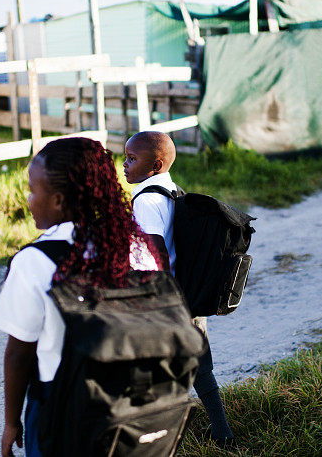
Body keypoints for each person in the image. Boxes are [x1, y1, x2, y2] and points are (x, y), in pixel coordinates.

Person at [0, 137, 161, 457]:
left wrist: (11, 423)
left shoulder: (36, 261)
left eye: (32, 189)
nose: (28, 199)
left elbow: (18, 355)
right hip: (137, 402)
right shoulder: (137, 246)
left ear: (56, 200)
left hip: (65, 409)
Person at [123, 130, 235, 446]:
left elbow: (154, 253)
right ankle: (222, 433)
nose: (125, 165)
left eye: (132, 159)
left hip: (163, 297)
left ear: (156, 164)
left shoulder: (145, 200)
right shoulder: (172, 189)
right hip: (189, 293)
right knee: (201, 369)